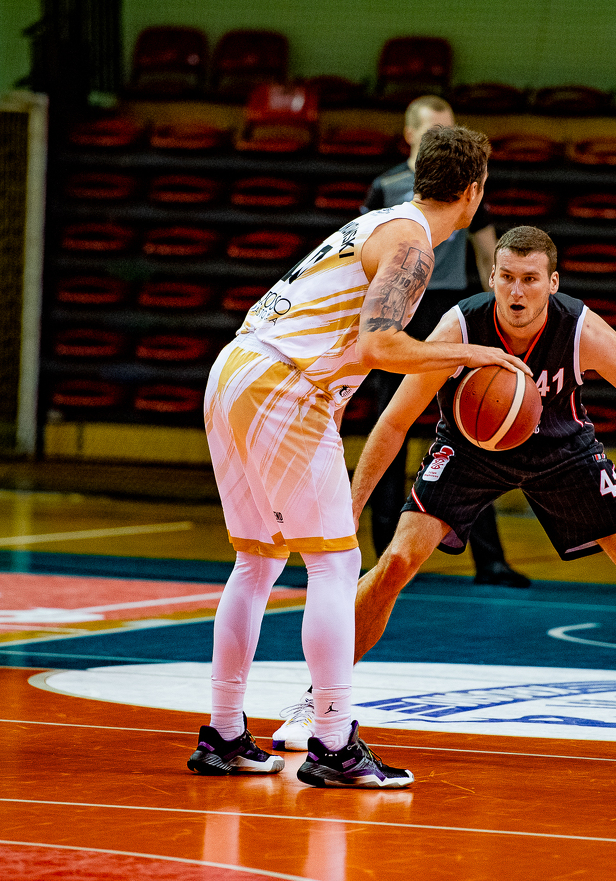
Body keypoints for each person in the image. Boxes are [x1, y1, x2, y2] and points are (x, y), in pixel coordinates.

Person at [272, 226, 616, 769]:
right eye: (507, 277)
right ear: (492, 278)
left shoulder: (582, 330)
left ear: (553, 283)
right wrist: (352, 504)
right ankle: (317, 702)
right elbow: (394, 421)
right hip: (469, 448)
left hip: (562, 448)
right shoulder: (460, 327)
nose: (517, 291)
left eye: (530, 279)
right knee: (397, 562)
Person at [187, 125, 530, 788]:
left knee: (258, 562)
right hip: (282, 384)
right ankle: (333, 743)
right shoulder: (412, 244)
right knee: (337, 564)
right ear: (474, 190)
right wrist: (470, 354)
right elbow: (379, 346)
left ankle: (224, 735)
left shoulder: (379, 222)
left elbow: (350, 343)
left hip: (237, 371)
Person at [362, 96, 527, 588]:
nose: (444, 137)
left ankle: (489, 559)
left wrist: (499, 318)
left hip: (448, 309)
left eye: (450, 128)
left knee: (472, 434)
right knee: (389, 432)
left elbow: (489, 255)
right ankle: (384, 558)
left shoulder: (467, 190)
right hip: (396, 313)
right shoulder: (388, 187)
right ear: (410, 134)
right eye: (435, 129)